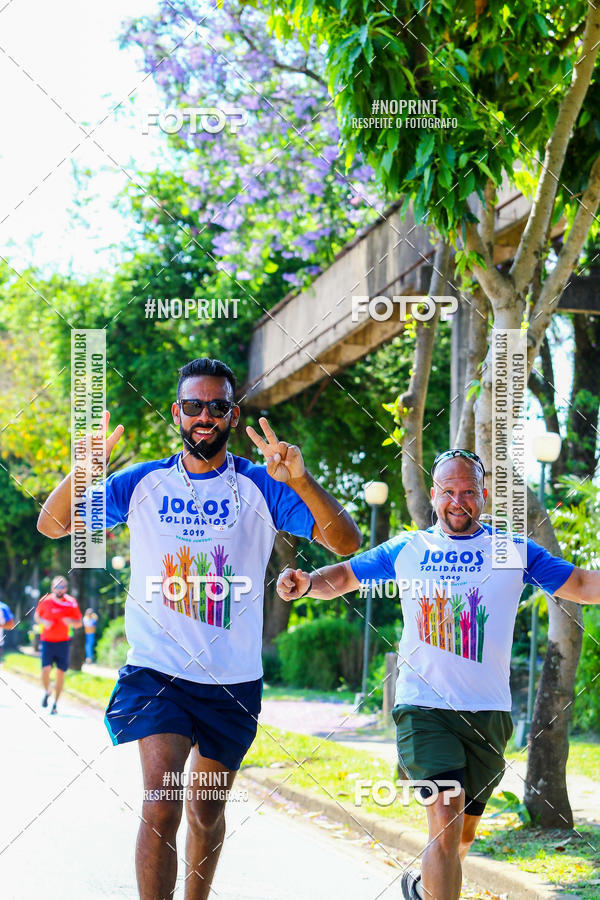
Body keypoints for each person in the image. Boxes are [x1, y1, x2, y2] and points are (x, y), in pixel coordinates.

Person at [37, 356, 361, 900]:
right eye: (193, 405)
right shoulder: (143, 483)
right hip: (156, 673)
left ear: (233, 416)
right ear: (177, 413)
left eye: (217, 406)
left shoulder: (264, 487)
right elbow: (53, 524)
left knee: (205, 812)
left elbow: (346, 543)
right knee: (161, 802)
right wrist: (84, 469)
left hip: (231, 684)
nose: (204, 415)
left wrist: (301, 481)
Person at [276, 448, 600, 900]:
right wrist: (308, 582)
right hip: (424, 709)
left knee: (462, 838)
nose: (458, 501)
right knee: (445, 827)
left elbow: (582, 585)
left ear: (483, 496)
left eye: (468, 491)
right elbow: (346, 575)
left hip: (488, 714)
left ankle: (424, 888)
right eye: (449, 491)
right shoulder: (410, 548)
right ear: (433, 494)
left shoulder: (512, 551)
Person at [34, 575, 83, 714]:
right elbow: (37, 616)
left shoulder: (71, 602)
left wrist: (71, 622)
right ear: (52, 587)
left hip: (63, 642)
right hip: (47, 641)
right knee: (45, 670)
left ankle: (55, 704)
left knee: (61, 673)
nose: (59, 589)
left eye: (62, 587)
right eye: (57, 586)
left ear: (66, 588)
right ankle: (47, 691)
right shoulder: (45, 600)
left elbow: (79, 622)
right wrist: (44, 622)